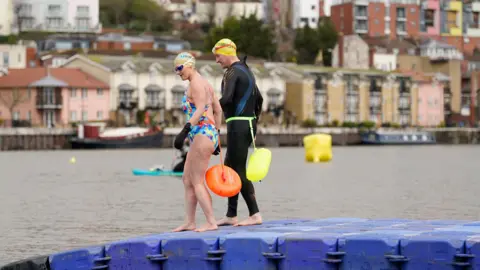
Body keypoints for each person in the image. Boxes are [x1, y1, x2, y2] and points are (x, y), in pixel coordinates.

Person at [212, 38, 264, 227]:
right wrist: (254, 123)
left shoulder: (232, 72)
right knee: (230, 168)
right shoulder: (246, 70)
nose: (217, 61)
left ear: (227, 53)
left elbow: (226, 99)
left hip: (239, 125)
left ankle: (255, 213)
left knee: (238, 171)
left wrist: (207, 110)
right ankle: (231, 214)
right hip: (244, 125)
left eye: (218, 56)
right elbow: (260, 99)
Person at [171, 52, 223, 232]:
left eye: (180, 68)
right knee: (187, 179)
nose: (178, 72)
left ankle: (211, 221)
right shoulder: (206, 84)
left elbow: (201, 108)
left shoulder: (197, 83)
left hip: (201, 132)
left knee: (197, 180)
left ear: (189, 65)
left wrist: (185, 130)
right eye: (175, 69)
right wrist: (217, 134)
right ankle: (190, 221)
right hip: (205, 133)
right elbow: (218, 110)